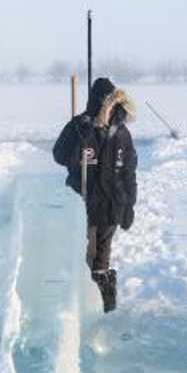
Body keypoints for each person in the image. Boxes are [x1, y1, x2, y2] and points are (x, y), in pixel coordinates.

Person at [52, 77, 137, 313]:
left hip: (111, 208)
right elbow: (59, 155)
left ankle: (105, 311)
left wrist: (129, 205)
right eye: (105, 103)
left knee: (102, 261)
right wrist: (86, 132)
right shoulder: (80, 126)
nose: (109, 108)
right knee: (85, 259)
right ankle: (79, 310)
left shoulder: (121, 133)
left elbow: (129, 173)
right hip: (84, 206)